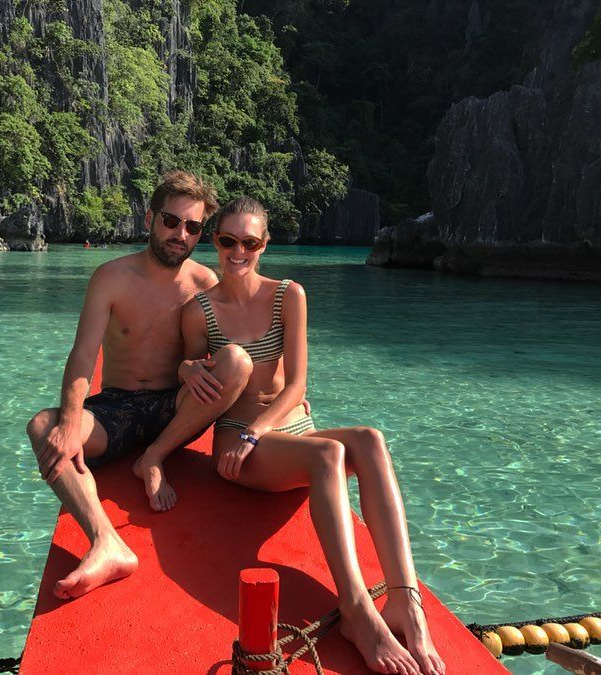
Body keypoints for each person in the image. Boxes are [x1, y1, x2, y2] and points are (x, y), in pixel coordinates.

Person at [180, 196, 445, 675]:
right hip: (237, 442)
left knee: (369, 439)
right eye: (228, 240)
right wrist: (188, 371)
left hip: (282, 429)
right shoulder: (200, 311)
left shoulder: (289, 295)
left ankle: (406, 600)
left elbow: (298, 384)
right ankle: (357, 612)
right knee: (327, 455)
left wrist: (262, 428)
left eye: (250, 242)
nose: (238, 252)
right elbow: (195, 380)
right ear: (214, 241)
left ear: (264, 244)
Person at [26, 171, 252, 599]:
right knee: (43, 426)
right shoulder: (110, 277)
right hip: (117, 409)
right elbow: (82, 356)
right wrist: (70, 422)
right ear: (150, 218)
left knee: (237, 362)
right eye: (171, 221)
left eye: (193, 227)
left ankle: (154, 456)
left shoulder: (205, 284)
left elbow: (239, 351)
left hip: (175, 410)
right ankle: (106, 541)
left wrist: (288, 401)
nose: (180, 234)